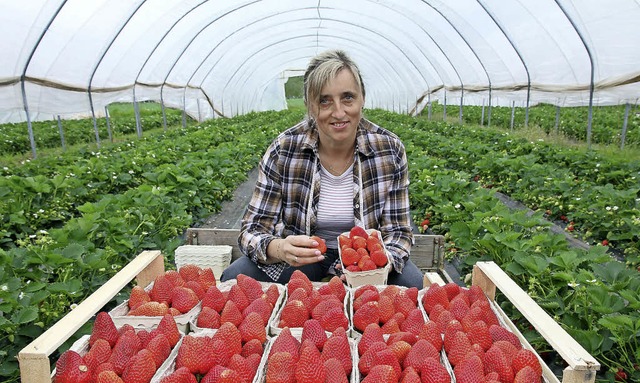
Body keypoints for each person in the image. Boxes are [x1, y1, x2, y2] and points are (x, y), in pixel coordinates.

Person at [220, 49, 424, 289]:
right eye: (324, 100)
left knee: (411, 283)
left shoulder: (388, 150)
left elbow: (398, 231)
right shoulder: (284, 149)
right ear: (310, 106)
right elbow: (252, 229)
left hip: (366, 258)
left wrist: (379, 266)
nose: (338, 112)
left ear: (362, 99)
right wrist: (280, 249)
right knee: (234, 279)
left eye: (348, 97)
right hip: (303, 256)